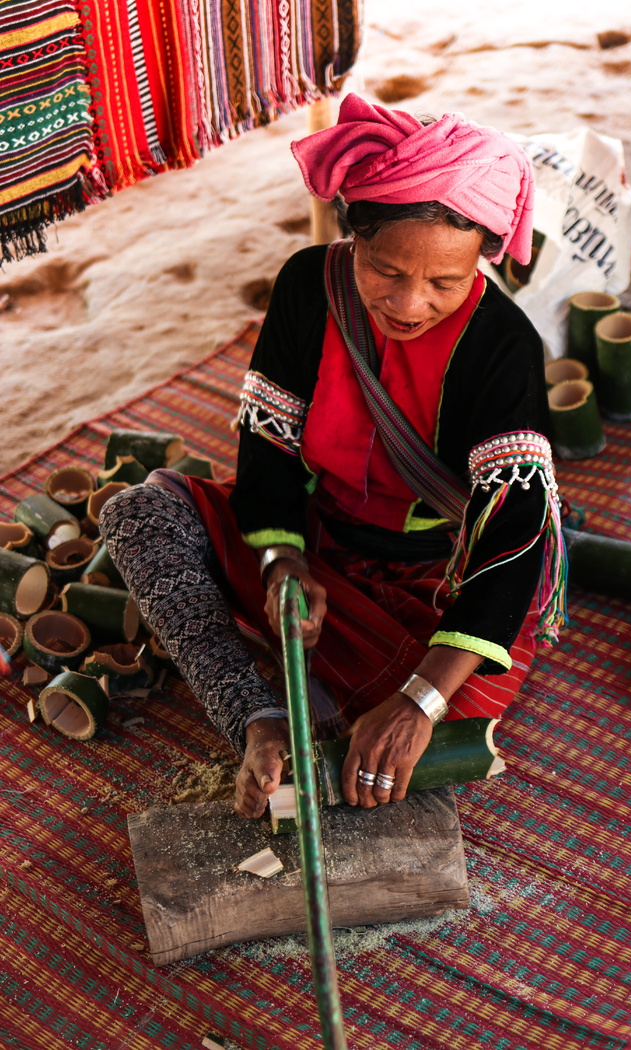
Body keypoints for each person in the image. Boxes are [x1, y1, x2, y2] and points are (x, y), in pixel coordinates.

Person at [99, 93, 566, 821]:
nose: (410, 304)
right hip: (320, 541)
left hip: (432, 584)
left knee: (441, 718)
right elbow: (268, 442)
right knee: (138, 514)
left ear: (483, 258)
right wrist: (282, 562)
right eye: (386, 271)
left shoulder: (503, 344)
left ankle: (328, 704)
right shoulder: (306, 287)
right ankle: (257, 716)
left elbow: (512, 539)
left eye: (445, 282)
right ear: (353, 238)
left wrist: (419, 699)